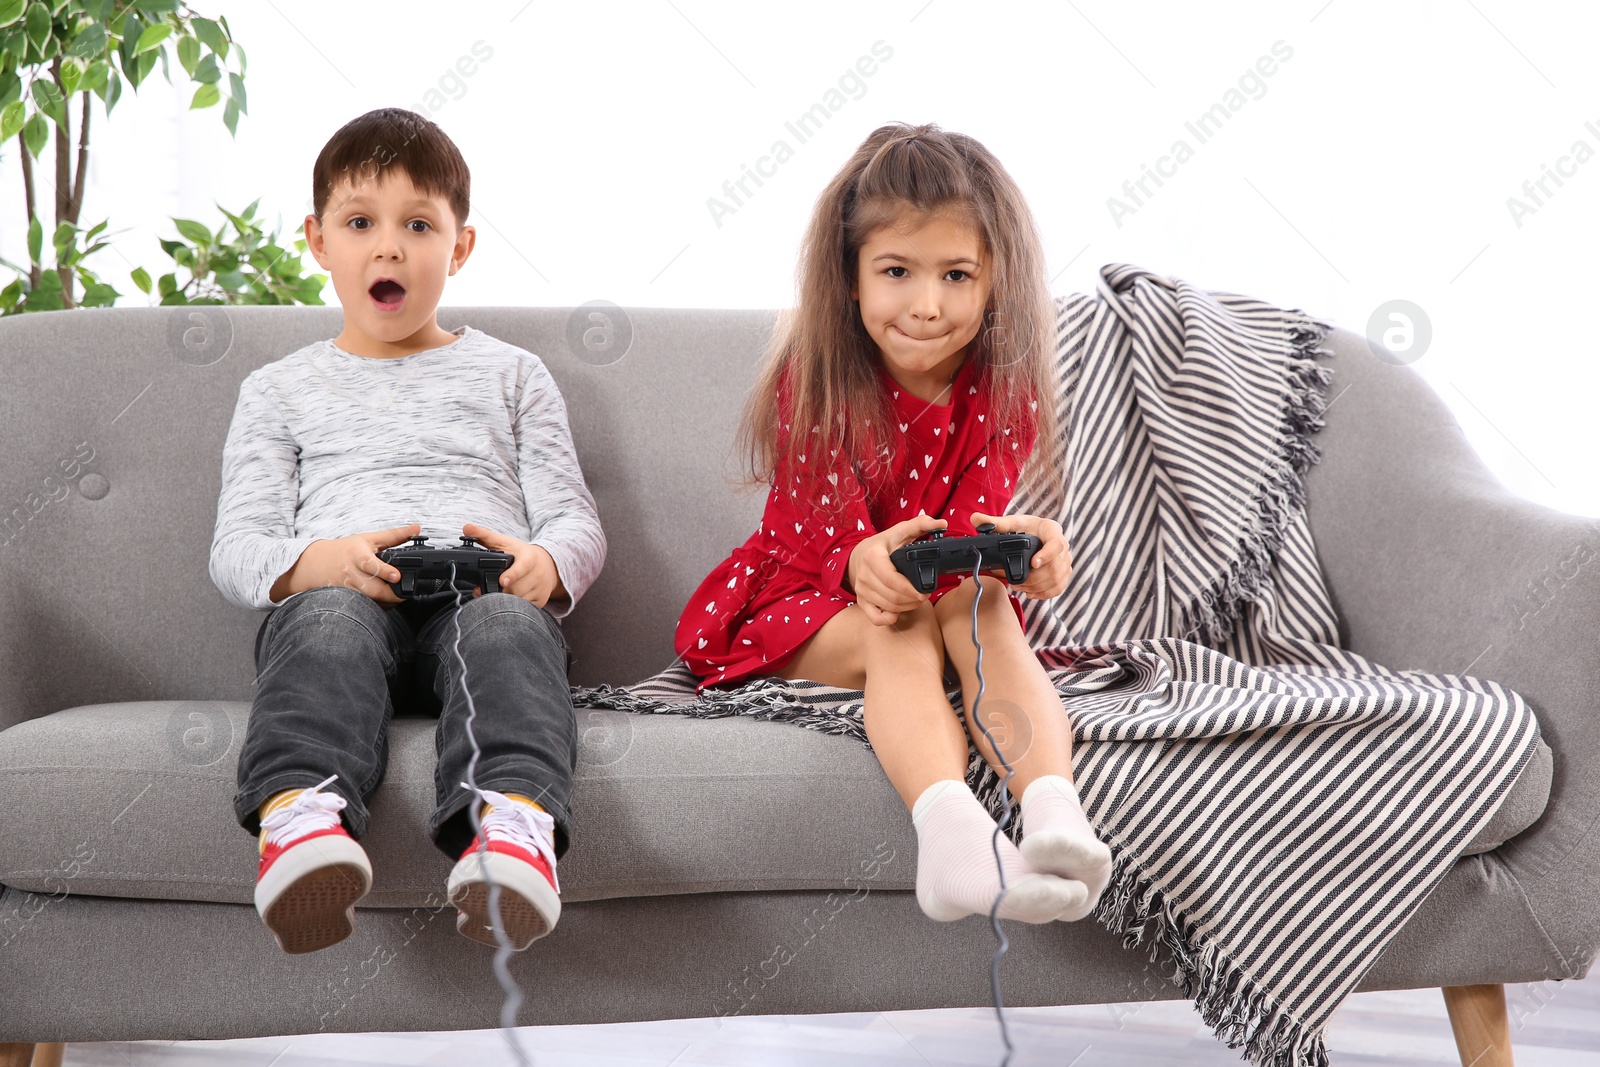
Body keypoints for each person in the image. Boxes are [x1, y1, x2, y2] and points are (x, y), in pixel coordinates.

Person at [674, 123, 1111, 925]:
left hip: (934, 587)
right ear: (849, 277)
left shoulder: (1003, 387)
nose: (927, 304)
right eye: (897, 271)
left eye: (956, 274)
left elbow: (975, 531)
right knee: (898, 620)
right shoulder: (817, 378)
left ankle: (1054, 812)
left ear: (994, 284)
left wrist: (1030, 553)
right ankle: (951, 842)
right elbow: (823, 542)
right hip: (805, 594)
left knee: (979, 604)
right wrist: (862, 562)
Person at [208, 108, 606, 955]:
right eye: (360, 224)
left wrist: (547, 563)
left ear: (459, 247)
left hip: (481, 597)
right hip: (349, 597)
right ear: (318, 240)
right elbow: (238, 548)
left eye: (417, 225)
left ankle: (512, 830)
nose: (388, 247)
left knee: (506, 626)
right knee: (323, 622)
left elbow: (573, 515)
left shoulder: (513, 375)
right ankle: (303, 823)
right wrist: (319, 562)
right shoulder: (278, 390)